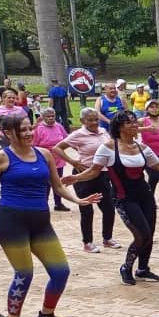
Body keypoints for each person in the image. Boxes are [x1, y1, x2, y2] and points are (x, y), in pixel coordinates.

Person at [0, 115, 102, 317]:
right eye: (21, 131)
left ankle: (47, 315)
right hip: (10, 221)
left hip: (41, 222)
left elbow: (58, 187)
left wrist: (77, 200)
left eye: (29, 129)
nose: (27, 134)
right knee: (24, 273)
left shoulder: (44, 155)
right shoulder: (0, 158)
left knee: (60, 271)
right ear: (7, 134)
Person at [64, 111, 159, 285]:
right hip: (124, 198)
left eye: (136, 122)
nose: (136, 126)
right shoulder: (108, 148)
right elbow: (94, 171)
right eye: (130, 123)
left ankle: (143, 269)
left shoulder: (142, 148)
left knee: (149, 233)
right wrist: (76, 177)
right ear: (120, 127)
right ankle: (126, 267)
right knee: (141, 234)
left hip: (145, 196)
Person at [52, 108, 120, 253]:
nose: (94, 122)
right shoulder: (78, 134)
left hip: (102, 174)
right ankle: (87, 242)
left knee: (108, 208)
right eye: (90, 120)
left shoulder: (103, 131)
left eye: (96, 119)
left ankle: (107, 238)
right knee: (87, 210)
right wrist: (73, 162)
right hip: (83, 176)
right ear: (82, 121)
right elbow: (57, 148)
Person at [32, 108, 70, 212]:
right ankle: (43, 204)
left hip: (58, 159)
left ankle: (58, 203)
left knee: (58, 182)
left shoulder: (59, 126)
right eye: (48, 116)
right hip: (44, 159)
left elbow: (67, 139)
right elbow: (33, 145)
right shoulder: (39, 129)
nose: (51, 118)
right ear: (43, 118)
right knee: (45, 183)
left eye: (52, 116)